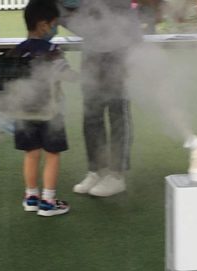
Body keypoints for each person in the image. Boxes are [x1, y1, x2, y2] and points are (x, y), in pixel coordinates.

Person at [61, 0, 139, 197]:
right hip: (92, 50)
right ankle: (97, 170)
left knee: (117, 111)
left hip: (118, 49)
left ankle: (116, 175)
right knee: (91, 113)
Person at [13, 0, 75, 217]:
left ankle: (31, 197)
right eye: (53, 24)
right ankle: (48, 201)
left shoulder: (17, 51)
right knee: (52, 154)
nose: (54, 28)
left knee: (31, 154)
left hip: (23, 112)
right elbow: (68, 76)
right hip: (51, 112)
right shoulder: (52, 51)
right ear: (43, 25)